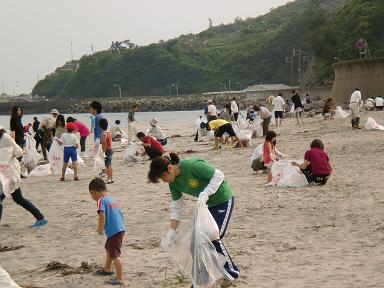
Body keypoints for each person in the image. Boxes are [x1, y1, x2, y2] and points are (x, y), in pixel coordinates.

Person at [148, 153, 240, 283]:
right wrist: (171, 232)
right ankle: (203, 277)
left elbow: (218, 175)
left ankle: (232, 273)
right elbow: (177, 208)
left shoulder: (191, 165)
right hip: (205, 207)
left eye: (163, 177)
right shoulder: (173, 184)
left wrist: (206, 193)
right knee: (194, 242)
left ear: (169, 168)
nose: (164, 181)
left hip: (222, 199)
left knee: (212, 236)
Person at [0, 125, 48, 227]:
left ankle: (40, 218)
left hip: (9, 173)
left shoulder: (6, 138)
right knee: (18, 198)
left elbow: (19, 152)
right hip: (3, 174)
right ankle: (40, 217)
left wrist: (8, 155)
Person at [89, 179, 125, 286]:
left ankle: (119, 278)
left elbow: (102, 216)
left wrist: (100, 229)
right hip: (120, 229)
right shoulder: (112, 199)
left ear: (94, 192)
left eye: (91, 195)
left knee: (115, 255)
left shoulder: (101, 201)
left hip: (114, 231)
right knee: (108, 248)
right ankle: (107, 268)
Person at [90, 101, 105, 177]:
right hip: (100, 138)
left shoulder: (97, 117)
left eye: (91, 108)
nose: (90, 110)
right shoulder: (99, 116)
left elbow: (99, 130)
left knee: (100, 155)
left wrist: (98, 140)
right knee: (100, 155)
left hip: (99, 139)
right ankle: (104, 171)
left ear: (95, 109)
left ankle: (104, 171)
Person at [100, 119, 114, 184]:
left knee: (107, 165)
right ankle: (110, 178)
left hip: (107, 150)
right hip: (110, 149)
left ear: (100, 126)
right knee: (109, 165)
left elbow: (104, 143)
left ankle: (108, 179)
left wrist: (103, 151)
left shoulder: (104, 134)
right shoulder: (109, 132)